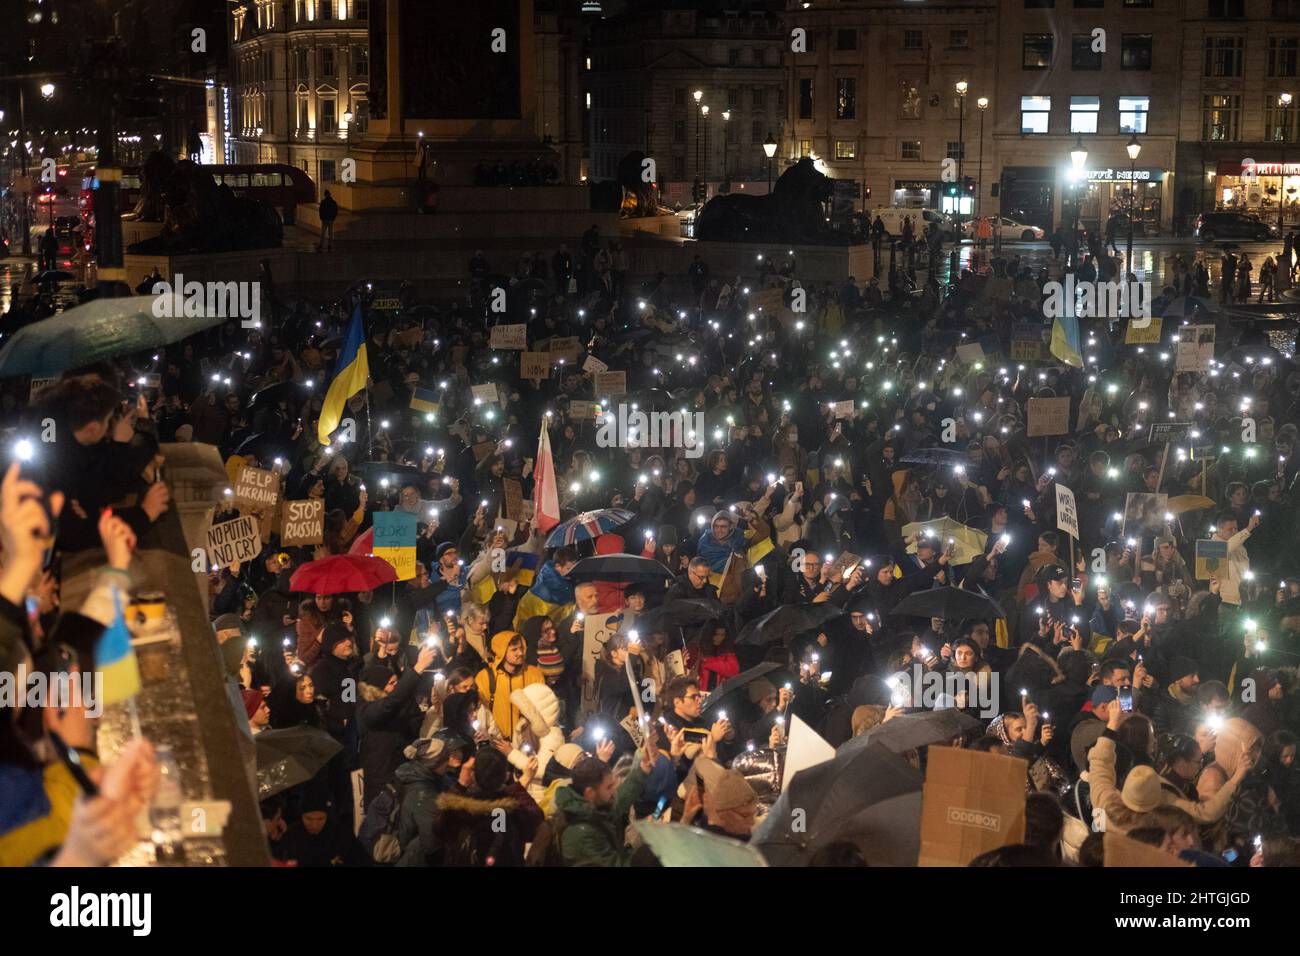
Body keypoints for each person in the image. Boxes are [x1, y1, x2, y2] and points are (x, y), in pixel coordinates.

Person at [554, 734, 657, 866]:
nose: (614, 790)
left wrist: (643, 769)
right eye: (609, 787)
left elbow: (619, 802)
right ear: (590, 793)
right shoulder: (582, 834)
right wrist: (651, 842)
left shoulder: (590, 808)